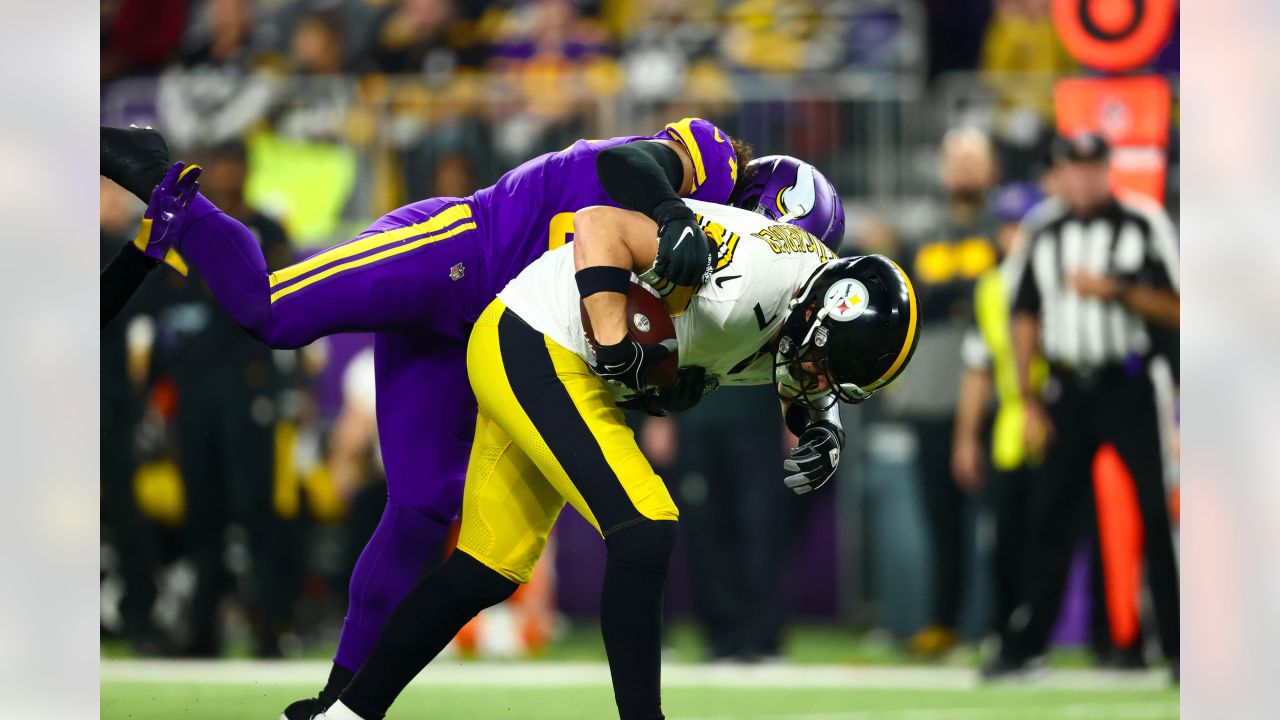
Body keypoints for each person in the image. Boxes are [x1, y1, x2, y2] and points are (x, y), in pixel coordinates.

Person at [100, 118, 749, 717]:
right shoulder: (698, 172)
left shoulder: (708, 272)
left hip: (484, 327)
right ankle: (158, 174)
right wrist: (671, 210)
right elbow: (629, 161)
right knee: (273, 310)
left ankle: (339, 700)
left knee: (422, 511)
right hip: (451, 252)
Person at [312, 196, 919, 720]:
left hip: (547, 355)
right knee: (646, 525)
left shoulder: (809, 310)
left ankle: (345, 711)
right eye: (819, 366)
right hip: (538, 339)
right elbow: (599, 223)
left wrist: (822, 425)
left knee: (485, 567)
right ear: (819, 311)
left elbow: (805, 360)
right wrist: (612, 340)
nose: (814, 377)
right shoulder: (746, 272)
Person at [984, 132, 1180, 680]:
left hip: (1129, 385)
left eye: (1094, 167)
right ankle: (1026, 647)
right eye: (1075, 167)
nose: (1085, 178)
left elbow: (1179, 307)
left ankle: (1180, 649)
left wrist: (1116, 290)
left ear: (1107, 169)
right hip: (1066, 391)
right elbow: (1023, 314)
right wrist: (1028, 401)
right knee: (1050, 520)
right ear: (1063, 170)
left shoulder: (1143, 222)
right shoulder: (1043, 228)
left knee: (1154, 517)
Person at [887, 127, 1000, 656]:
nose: (962, 169)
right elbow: (910, 299)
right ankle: (945, 621)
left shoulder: (1006, 225)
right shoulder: (922, 229)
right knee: (940, 519)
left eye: (972, 159)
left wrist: (950, 297)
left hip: (999, 396)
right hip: (932, 394)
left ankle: (1004, 620)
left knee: (1004, 516)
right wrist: (961, 297)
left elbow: (988, 297)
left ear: (992, 167)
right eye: (954, 159)